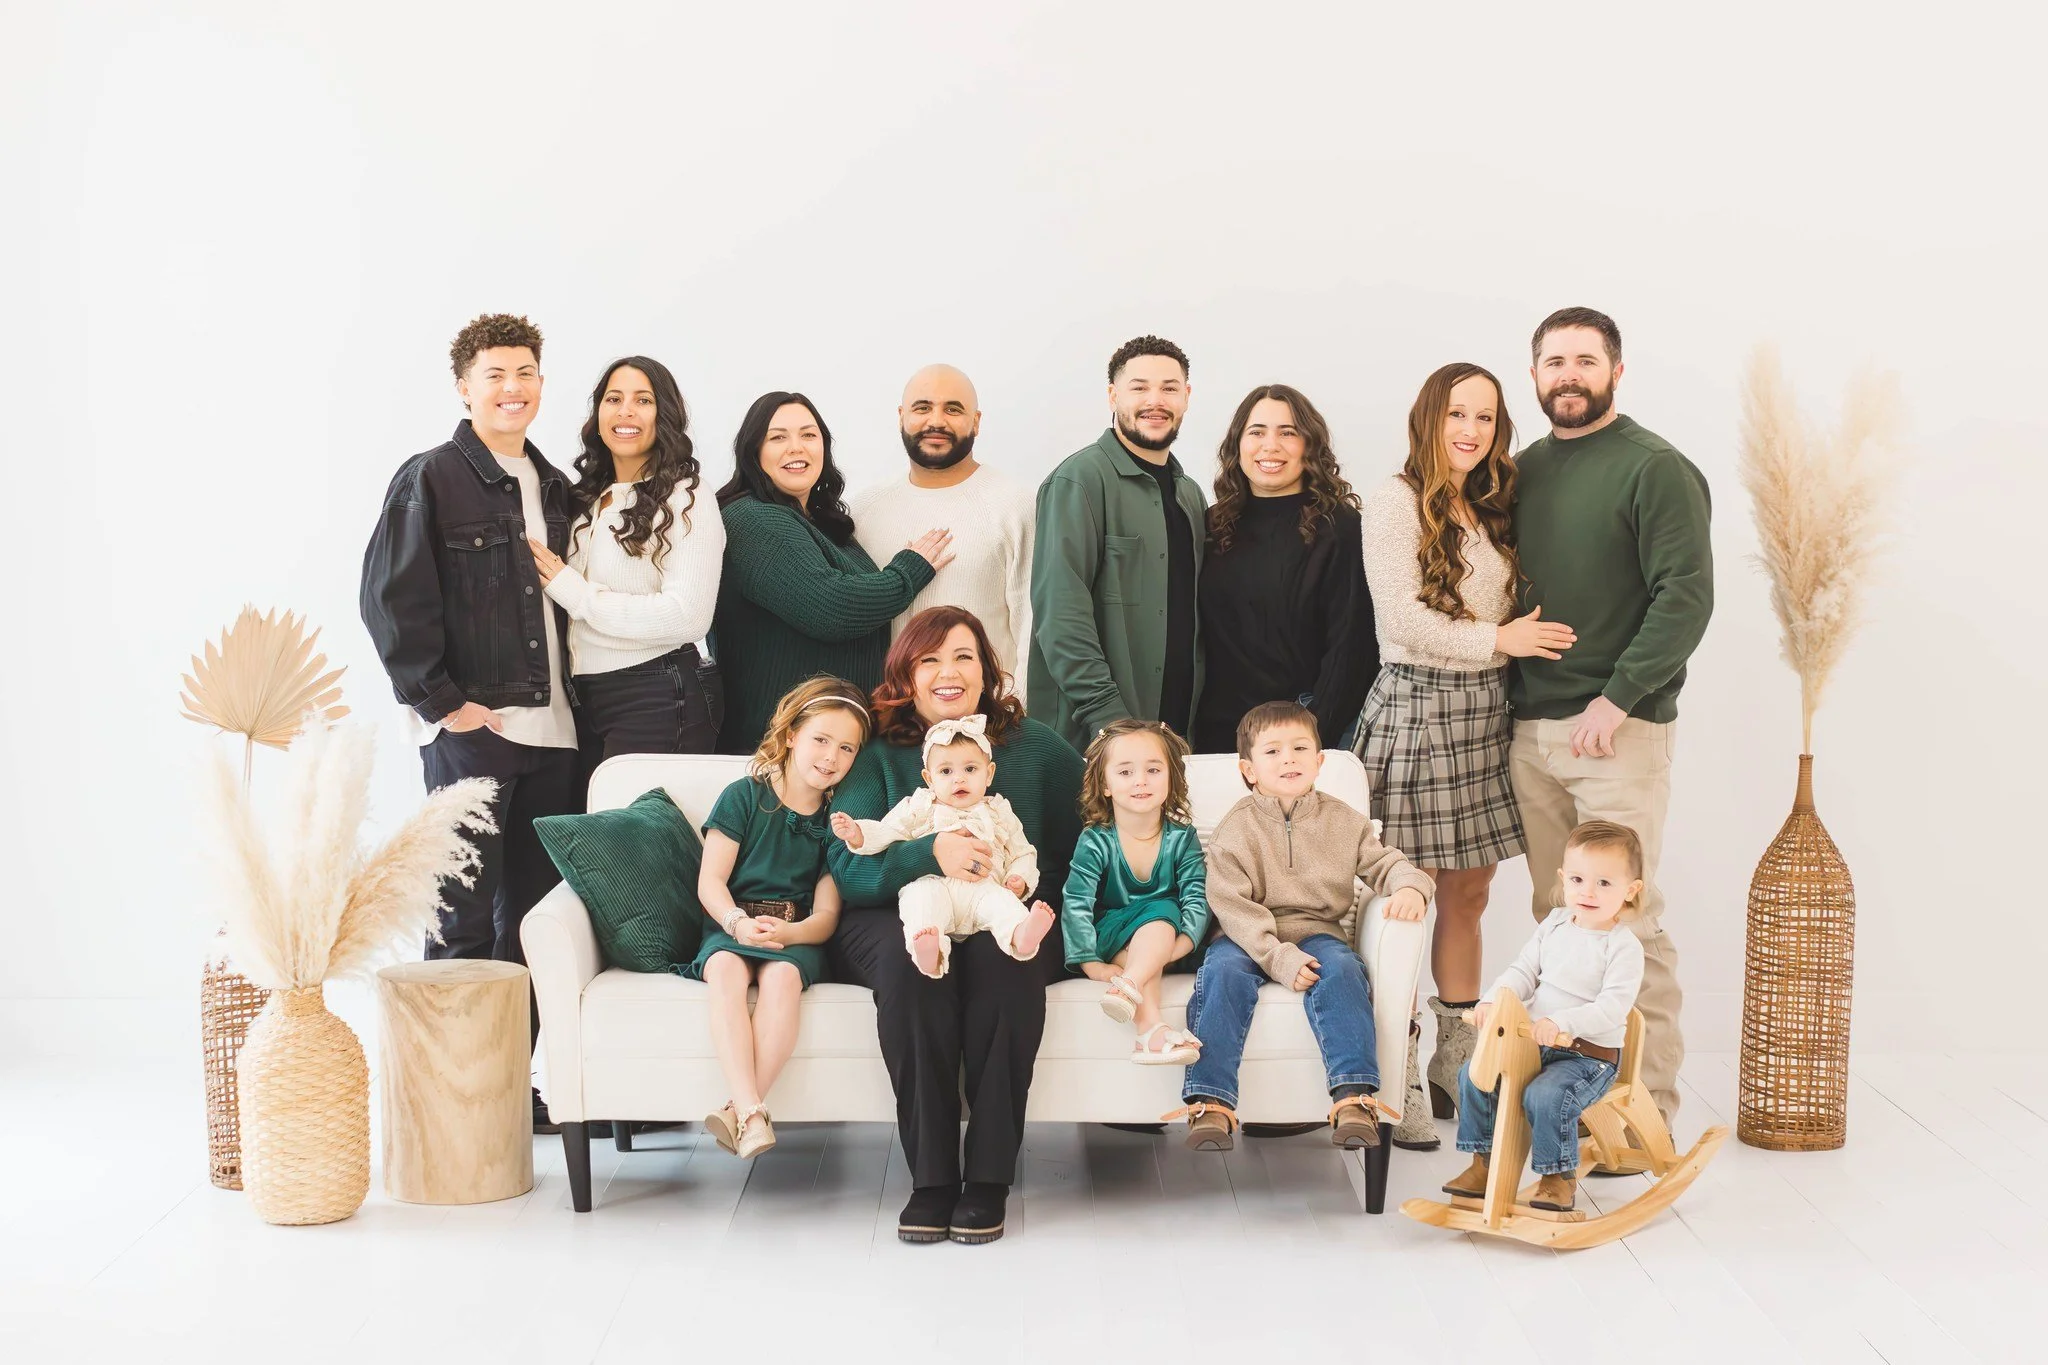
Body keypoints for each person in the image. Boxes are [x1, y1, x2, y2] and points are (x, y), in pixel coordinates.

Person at [359, 313, 576, 1133]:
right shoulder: (434, 476)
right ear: (464, 386)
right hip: (474, 731)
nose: (512, 387)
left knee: (531, 923)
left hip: (555, 734)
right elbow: (389, 595)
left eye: (525, 372)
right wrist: (443, 701)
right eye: (494, 374)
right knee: (461, 913)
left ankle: (504, 1091)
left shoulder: (554, 485)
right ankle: (448, 1103)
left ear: (541, 384)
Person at [1354, 362, 1579, 1148]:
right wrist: (1501, 639)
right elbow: (1400, 617)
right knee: (1403, 896)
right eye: (1457, 413)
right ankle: (1397, 1071)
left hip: (1486, 710)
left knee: (1472, 894)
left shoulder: (1489, 504)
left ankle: (1456, 1063)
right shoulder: (1392, 500)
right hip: (1417, 704)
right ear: (1429, 416)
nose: (1471, 430)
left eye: (1485, 417)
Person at [1510, 307, 1712, 1126]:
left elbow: (1686, 596)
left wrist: (1618, 695)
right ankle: (1571, 1103)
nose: (1568, 374)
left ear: (1615, 372)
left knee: (1631, 922)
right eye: (1553, 361)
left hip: (1617, 731)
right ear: (1534, 375)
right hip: (1530, 734)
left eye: (1585, 360)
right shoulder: (1521, 470)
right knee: (1560, 926)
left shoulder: (1654, 467)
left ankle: (1644, 1108)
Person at [826, 606, 1084, 1246]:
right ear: (906, 675)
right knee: (914, 975)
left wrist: (1027, 885)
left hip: (1002, 905)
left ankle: (989, 1178)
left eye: (964, 656)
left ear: (988, 671)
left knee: (1008, 970)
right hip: (897, 911)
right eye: (930, 659)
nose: (948, 672)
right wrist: (929, 853)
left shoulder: (1037, 748)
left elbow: (1086, 840)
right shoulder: (882, 756)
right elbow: (849, 867)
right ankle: (933, 1179)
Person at [1172, 701, 1434, 1152]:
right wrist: (1277, 957)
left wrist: (1411, 887)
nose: (1288, 758)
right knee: (1221, 974)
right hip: (1245, 938)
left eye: (1299, 748)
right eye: (1272, 752)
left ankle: (1354, 1097)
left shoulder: (1343, 821)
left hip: (1318, 931)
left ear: (1319, 761)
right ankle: (1211, 1102)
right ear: (1249, 769)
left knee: (1344, 971)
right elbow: (1228, 903)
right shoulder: (1236, 828)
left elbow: (1385, 863)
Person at [683, 678, 869, 1159]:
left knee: (784, 979)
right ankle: (751, 1109)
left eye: (846, 748)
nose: (831, 757)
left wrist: (791, 933)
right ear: (791, 736)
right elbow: (710, 883)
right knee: (724, 969)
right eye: (821, 740)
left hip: (795, 933)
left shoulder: (837, 823)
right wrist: (737, 925)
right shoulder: (745, 797)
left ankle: (739, 1110)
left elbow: (827, 916)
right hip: (732, 926)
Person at [711, 391, 953, 754]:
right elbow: (833, 607)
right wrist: (909, 570)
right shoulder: (751, 519)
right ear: (753, 451)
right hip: (780, 748)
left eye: (809, 435)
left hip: (828, 743)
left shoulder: (822, 524)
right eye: (778, 437)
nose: (797, 447)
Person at [528, 356, 726, 784]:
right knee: (598, 844)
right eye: (613, 399)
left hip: (657, 691)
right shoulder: (584, 500)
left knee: (639, 846)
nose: (626, 412)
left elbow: (689, 615)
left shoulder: (687, 497)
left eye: (643, 400)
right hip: (582, 698)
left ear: (665, 414)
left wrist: (577, 594)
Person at [1442, 820, 1646, 1213]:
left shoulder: (1622, 947)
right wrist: (1493, 1001)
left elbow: (1612, 1008)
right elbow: (1523, 971)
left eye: (1604, 883)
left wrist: (1563, 1023)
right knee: (1474, 1075)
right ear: (1562, 879)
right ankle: (1483, 1164)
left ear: (1630, 890)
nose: (1588, 891)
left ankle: (1557, 1176)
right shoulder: (1553, 924)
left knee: (1546, 1095)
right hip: (1533, 1043)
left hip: (1587, 1056)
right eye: (1578, 879)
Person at [1029, 335, 1207, 752]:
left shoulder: (1190, 495)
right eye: (1139, 387)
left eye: (1169, 388)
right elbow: (1061, 616)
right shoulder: (1079, 481)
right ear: (1113, 396)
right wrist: (1109, 719)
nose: (1155, 400)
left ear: (1186, 397)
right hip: (1095, 739)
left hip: (1176, 737)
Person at [1192, 384, 1375, 755]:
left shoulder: (1339, 526)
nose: (1270, 445)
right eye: (1256, 432)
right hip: (1217, 735)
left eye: (1287, 433)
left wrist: (1310, 738)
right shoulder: (1213, 525)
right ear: (1237, 444)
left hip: (1302, 733)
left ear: (1310, 445)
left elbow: (1352, 648)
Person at [852, 365, 1035, 703]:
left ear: (976, 421)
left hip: (984, 725)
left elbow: (1031, 626)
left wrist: (1013, 714)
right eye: (922, 408)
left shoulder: (1016, 505)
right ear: (901, 416)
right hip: (885, 723)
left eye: (953, 409)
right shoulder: (863, 510)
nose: (936, 421)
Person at [830, 713, 1057, 978]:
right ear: (929, 779)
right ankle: (930, 952)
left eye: (970, 769)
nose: (958, 779)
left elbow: (1022, 851)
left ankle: (1021, 935)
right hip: (932, 883)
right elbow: (888, 831)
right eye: (946, 771)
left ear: (989, 773)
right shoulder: (919, 806)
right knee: (919, 901)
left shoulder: (999, 811)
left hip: (982, 888)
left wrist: (1019, 878)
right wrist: (859, 833)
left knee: (1003, 904)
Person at [1062, 718, 1210, 1064]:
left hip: (1169, 943)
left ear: (1171, 777)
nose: (1141, 780)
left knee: (1163, 918)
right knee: (1163, 910)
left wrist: (1177, 947)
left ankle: (1150, 1032)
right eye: (1126, 772)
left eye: (1153, 770)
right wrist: (1091, 965)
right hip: (1110, 935)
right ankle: (1133, 984)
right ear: (1105, 784)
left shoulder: (1181, 837)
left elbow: (1196, 895)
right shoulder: (1096, 840)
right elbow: (1077, 903)